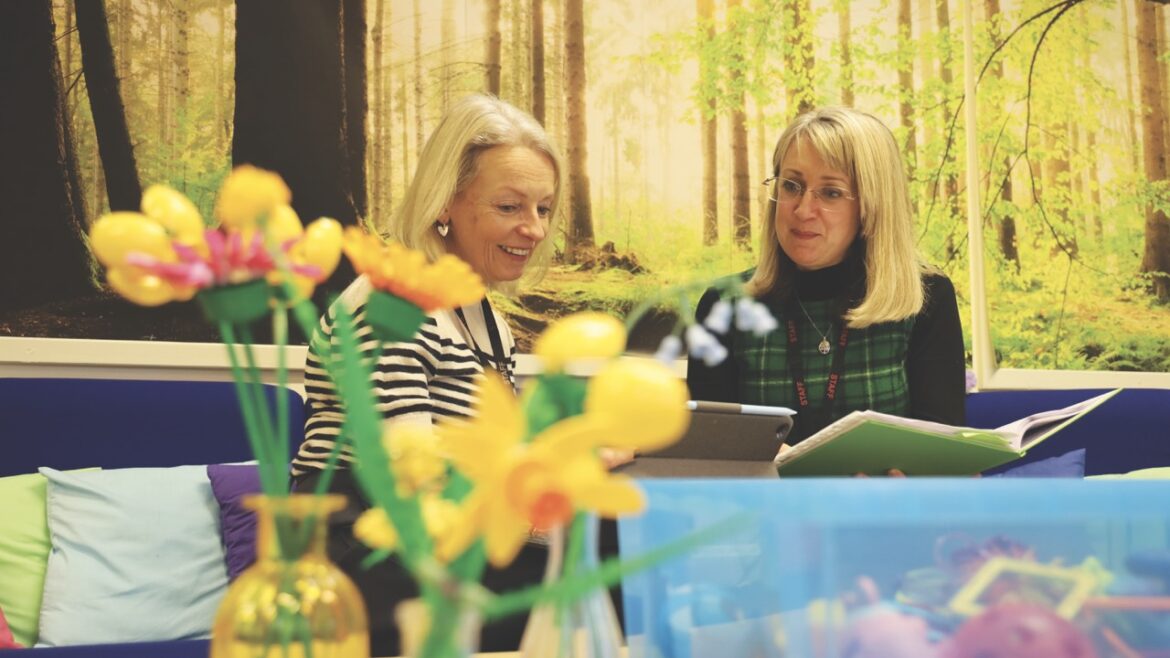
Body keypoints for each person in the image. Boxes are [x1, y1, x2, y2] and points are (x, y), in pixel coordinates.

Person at [290, 93, 561, 655]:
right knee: (583, 584)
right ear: (444, 204)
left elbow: (484, 463)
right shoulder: (392, 302)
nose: (533, 230)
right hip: (357, 546)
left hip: (442, 536)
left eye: (544, 209)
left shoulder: (491, 326)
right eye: (509, 207)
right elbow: (411, 472)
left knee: (598, 558)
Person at [687, 106, 966, 447]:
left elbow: (939, 449)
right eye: (791, 186)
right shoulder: (723, 306)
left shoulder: (927, 297)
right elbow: (709, 456)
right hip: (764, 500)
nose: (802, 210)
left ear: (872, 206)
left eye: (831, 192)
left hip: (883, 500)